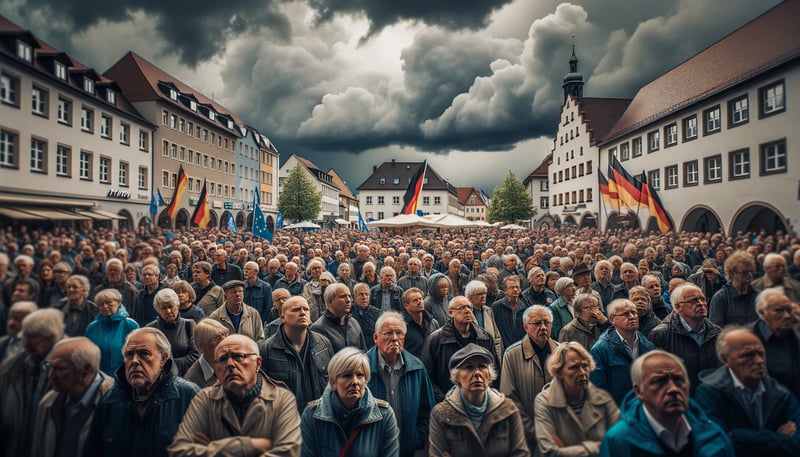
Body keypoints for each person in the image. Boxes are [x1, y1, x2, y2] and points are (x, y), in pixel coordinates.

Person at [169, 334, 302, 457]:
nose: (230, 364)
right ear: (215, 368)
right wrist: (251, 445)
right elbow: (181, 451)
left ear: (258, 363)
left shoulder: (282, 399)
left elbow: (289, 452)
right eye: (222, 359)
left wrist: (211, 447)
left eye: (239, 356)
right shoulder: (204, 399)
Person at [83, 328, 199, 457]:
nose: (134, 361)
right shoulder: (110, 400)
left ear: (163, 359)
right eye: (129, 354)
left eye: (144, 353)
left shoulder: (188, 396)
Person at [599, 350, 735, 457]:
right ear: (639, 391)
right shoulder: (618, 440)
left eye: (679, 380)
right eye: (660, 381)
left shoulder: (713, 434)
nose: (673, 389)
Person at [695, 327, 800, 457]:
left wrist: (741, 435)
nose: (759, 361)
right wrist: (776, 439)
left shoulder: (780, 392)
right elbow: (719, 446)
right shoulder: (709, 392)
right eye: (747, 355)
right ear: (725, 360)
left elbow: (797, 444)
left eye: (761, 353)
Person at [429, 343, 529, 457]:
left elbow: (521, 453)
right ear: (457, 376)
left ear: (490, 374)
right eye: (469, 367)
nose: (477, 373)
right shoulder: (441, 414)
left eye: (482, 366)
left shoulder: (508, 410)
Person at [301, 347, 400, 457]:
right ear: (333, 382)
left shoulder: (384, 415)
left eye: (360, 375)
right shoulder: (312, 416)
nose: (355, 382)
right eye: (347, 375)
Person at [366, 311, 435, 457]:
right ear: (376, 338)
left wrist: (416, 439)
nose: (395, 338)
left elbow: (428, 411)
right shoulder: (361, 368)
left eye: (399, 333)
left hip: (407, 450)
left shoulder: (417, 368)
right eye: (389, 333)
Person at [32, 337, 115, 457]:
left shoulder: (115, 404)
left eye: (60, 368)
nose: (50, 375)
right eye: (49, 367)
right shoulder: (48, 403)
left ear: (85, 370)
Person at [534, 342, 620, 457]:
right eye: (574, 368)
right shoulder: (544, 402)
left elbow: (620, 444)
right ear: (559, 373)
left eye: (585, 366)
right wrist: (597, 447)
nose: (583, 373)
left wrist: (566, 450)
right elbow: (550, 452)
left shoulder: (603, 399)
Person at [0, 308, 64, 457]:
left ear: (51, 337)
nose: (26, 343)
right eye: (25, 336)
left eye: (33, 337)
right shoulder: (13, 365)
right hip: (15, 443)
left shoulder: (67, 367)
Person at [259, 296, 334, 411]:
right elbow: (263, 394)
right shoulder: (268, 350)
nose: (302, 313)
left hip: (320, 417)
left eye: (306, 309)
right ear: (282, 318)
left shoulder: (323, 344)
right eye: (295, 310)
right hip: (287, 420)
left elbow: (332, 383)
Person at [500, 304, 558, 448]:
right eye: (537, 323)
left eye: (547, 323)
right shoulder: (512, 354)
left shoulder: (561, 351)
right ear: (526, 327)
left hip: (557, 434)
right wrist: (532, 431)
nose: (543, 327)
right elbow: (509, 398)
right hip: (526, 435)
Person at [647, 283, 721, 392]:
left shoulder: (717, 332)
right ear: (677, 307)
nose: (701, 303)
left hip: (711, 398)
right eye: (693, 300)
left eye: (703, 299)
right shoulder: (660, 334)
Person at [423, 296, 496, 401]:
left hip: (479, 400)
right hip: (448, 401)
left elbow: (493, 370)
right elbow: (427, 376)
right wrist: (445, 399)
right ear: (451, 313)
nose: (467, 311)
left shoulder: (484, 337)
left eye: (469, 307)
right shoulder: (436, 339)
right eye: (461, 308)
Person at [590, 298, 655, 405]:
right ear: (612, 319)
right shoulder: (601, 349)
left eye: (634, 312)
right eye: (625, 314)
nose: (632, 317)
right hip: (618, 411)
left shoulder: (647, 345)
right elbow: (598, 390)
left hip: (644, 407)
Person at [744, 287, 800, 399]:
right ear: (762, 313)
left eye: (789, 310)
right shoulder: (747, 338)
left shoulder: (795, 336)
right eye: (779, 311)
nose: (787, 316)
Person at [85, 288, 140, 375]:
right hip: (98, 377)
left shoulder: (130, 325)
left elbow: (137, 354)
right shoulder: (92, 327)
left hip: (123, 377)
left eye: (109, 303)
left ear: (118, 303)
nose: (105, 306)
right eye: (101, 304)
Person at [146, 288, 200, 375]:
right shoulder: (150, 329)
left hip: (186, 377)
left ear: (177, 306)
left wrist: (168, 365)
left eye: (171, 306)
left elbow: (195, 355)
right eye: (163, 308)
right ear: (158, 310)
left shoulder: (189, 325)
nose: (168, 311)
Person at [309, 283, 367, 352]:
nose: (348, 300)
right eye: (343, 296)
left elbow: (364, 353)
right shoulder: (318, 329)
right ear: (330, 301)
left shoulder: (354, 323)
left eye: (349, 296)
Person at [709, 251, 760, 326]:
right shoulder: (720, 298)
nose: (749, 275)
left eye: (751, 271)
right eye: (744, 272)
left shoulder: (758, 296)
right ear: (732, 273)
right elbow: (716, 329)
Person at [465, 279, 504, 363]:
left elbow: (497, 337)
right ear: (469, 297)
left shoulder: (488, 310)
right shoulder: (466, 313)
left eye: (484, 293)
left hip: (490, 356)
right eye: (479, 294)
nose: (483, 296)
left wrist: (498, 358)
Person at [183, 318, 229, 388]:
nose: (224, 340)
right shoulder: (192, 381)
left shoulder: (230, 363)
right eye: (216, 338)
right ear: (202, 346)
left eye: (224, 334)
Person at [492, 275, 531, 348]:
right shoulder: (496, 307)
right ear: (505, 290)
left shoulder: (526, 306)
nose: (515, 289)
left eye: (517, 287)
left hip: (523, 346)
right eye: (512, 287)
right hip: (504, 347)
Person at [401, 287, 439, 358]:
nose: (419, 302)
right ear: (406, 305)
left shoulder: (433, 323)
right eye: (415, 300)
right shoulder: (401, 326)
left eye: (420, 299)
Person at [351, 282, 381, 349]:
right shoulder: (348, 313)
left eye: (366, 294)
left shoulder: (378, 313)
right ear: (354, 297)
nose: (364, 297)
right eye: (361, 294)